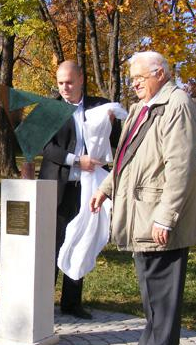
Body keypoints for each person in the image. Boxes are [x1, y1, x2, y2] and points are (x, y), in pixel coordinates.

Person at [90, 51, 196, 345]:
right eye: (132, 80)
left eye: (140, 78)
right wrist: (105, 189)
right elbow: (125, 157)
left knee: (162, 307)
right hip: (143, 216)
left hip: (158, 220)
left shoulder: (176, 104)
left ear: (160, 74)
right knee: (154, 304)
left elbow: (181, 167)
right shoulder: (142, 107)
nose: (135, 84)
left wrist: (166, 218)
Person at [38, 60, 119, 320]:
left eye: (69, 82)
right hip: (56, 187)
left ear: (82, 79)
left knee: (82, 239)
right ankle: (42, 302)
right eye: (60, 82)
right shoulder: (49, 108)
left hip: (89, 189)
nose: (64, 87)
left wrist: (112, 122)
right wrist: (76, 160)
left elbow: (116, 139)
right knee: (52, 244)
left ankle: (72, 303)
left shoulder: (100, 105)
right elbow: (46, 147)